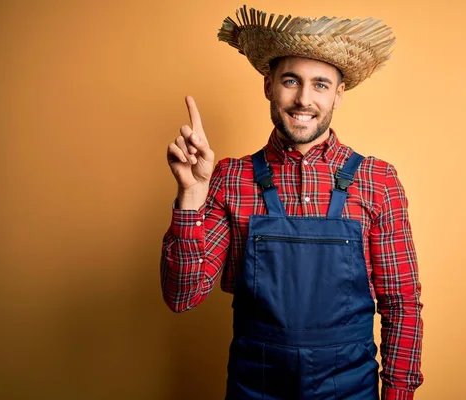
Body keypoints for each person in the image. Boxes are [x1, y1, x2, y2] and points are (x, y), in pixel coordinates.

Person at [161, 6, 423, 400]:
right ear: (268, 85)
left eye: (320, 84)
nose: (304, 99)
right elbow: (182, 296)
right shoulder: (231, 177)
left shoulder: (376, 181)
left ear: (338, 92)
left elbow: (401, 304)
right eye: (290, 80)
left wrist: (398, 395)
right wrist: (191, 196)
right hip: (256, 388)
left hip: (350, 390)